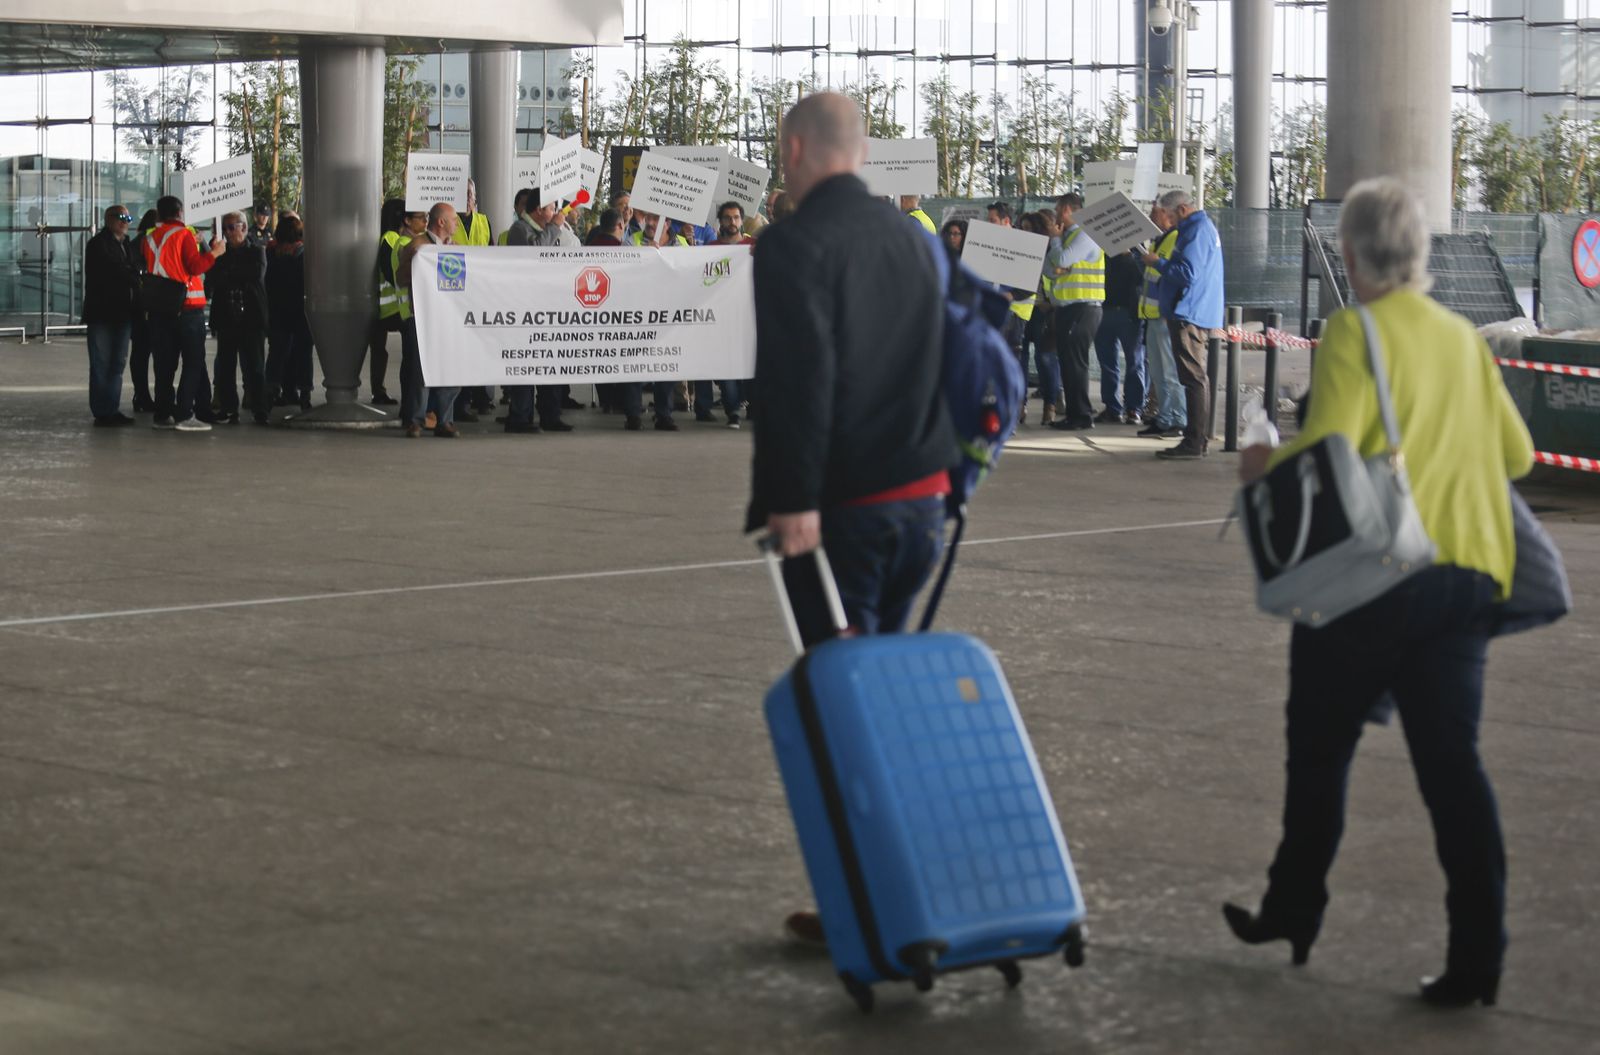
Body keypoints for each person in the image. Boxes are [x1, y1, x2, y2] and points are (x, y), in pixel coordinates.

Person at [1230, 177, 1535, 1010]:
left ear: (1353, 256)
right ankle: (1479, 958)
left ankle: (1294, 908)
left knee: (1319, 747)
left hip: (1379, 580)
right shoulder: (1464, 338)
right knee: (1453, 769)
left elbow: (1331, 446)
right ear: (1423, 255)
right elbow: (1516, 457)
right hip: (1468, 577)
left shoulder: (1353, 331)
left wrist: (1262, 466)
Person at [751, 92, 955, 947]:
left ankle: (869, 906)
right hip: (923, 503)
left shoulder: (794, 242)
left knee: (839, 706)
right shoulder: (910, 236)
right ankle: (908, 882)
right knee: (885, 695)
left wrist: (791, 501)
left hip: (844, 516)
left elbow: (800, 378)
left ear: (795, 148)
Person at [1144, 188, 1223, 459]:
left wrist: (1159, 263)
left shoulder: (1197, 230)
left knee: (1193, 378)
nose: (1166, 220)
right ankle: (1195, 439)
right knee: (1192, 377)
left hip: (1189, 312)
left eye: (1167, 214)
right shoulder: (1196, 229)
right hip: (1188, 310)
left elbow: (1188, 272)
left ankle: (1194, 441)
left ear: (1182, 209)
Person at [143, 195, 224, 431]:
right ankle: (185, 412)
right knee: (193, 361)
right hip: (187, 307)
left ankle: (163, 413)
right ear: (180, 213)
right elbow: (195, 267)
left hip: (160, 308)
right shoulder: (183, 234)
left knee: (164, 363)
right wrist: (215, 252)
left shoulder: (149, 237)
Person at [500, 188, 573, 434]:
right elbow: (535, 254)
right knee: (526, 366)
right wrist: (554, 228)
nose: (555, 213)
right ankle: (519, 417)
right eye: (552, 207)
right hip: (525, 308)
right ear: (540, 209)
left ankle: (550, 415)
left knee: (549, 366)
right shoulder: (520, 229)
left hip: (547, 307)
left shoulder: (542, 230)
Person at [395, 203, 464, 438]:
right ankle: (416, 420)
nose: (457, 223)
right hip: (422, 317)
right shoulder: (418, 245)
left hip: (449, 318)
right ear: (441, 222)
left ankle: (445, 420)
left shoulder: (456, 248)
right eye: (454, 219)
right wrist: (416, 261)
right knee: (420, 371)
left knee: (450, 369)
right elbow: (401, 278)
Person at [1045, 192, 1105, 431]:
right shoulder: (1068, 236)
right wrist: (1057, 258)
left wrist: (1055, 242)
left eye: (1059, 209)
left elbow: (1060, 260)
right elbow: (1050, 269)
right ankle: (1074, 413)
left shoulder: (1086, 234)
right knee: (1068, 363)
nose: (1057, 214)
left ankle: (1081, 415)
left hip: (1083, 309)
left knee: (1075, 364)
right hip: (1068, 309)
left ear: (1070, 210)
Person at [693, 201, 754, 429]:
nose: (732, 222)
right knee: (727, 365)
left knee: (748, 367)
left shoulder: (753, 246)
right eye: (727, 218)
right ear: (720, 221)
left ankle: (747, 405)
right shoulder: (711, 250)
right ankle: (733, 411)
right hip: (720, 319)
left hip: (748, 318)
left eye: (736, 217)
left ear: (742, 220)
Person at [207, 210, 270, 425]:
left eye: (231, 227)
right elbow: (214, 279)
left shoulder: (257, 251)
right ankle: (228, 408)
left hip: (251, 317)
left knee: (254, 366)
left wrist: (229, 273)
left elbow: (253, 275)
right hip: (226, 317)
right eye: (225, 228)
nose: (228, 232)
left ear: (243, 227)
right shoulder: (221, 253)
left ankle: (259, 408)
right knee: (225, 366)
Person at [81, 204, 140, 426]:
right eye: (121, 217)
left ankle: (112, 409)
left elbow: (133, 269)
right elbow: (116, 271)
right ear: (109, 219)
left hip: (123, 312)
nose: (125, 221)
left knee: (117, 363)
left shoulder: (127, 245)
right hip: (101, 313)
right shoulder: (98, 244)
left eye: (128, 217)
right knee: (100, 363)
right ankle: (101, 411)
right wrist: (133, 275)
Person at [1137, 203, 1187, 440]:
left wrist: (1154, 261)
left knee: (1170, 372)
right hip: (1152, 314)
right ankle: (1164, 418)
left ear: (1167, 214)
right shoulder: (1159, 239)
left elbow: (1170, 273)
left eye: (1155, 211)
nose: (1150, 216)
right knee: (1158, 372)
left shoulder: (1176, 238)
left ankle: (1179, 419)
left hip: (1165, 315)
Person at [264, 215, 315, 411]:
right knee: (303, 353)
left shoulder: (271, 256)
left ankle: (271, 391)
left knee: (277, 353)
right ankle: (304, 393)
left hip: (277, 312)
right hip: (302, 312)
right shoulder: (306, 257)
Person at [1093, 247, 1148, 425]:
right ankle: (1112, 408)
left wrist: (1130, 257)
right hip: (1104, 310)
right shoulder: (1101, 249)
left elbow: (1143, 276)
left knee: (1134, 362)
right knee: (1107, 363)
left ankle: (1134, 409)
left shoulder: (1137, 250)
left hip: (1129, 313)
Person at [1018, 210, 1061, 425]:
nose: (1026, 232)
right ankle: (1020, 405)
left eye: (1030, 228)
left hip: (1043, 310)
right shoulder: (1016, 250)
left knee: (1045, 358)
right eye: (1022, 228)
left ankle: (1050, 404)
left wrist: (1050, 301)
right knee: (1020, 359)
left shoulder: (1051, 251)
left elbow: (1056, 276)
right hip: (1021, 310)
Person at [365, 198, 407, 405]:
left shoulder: (380, 236)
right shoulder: (391, 238)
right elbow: (391, 271)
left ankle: (378, 391)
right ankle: (389, 393)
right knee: (408, 350)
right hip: (393, 307)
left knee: (379, 350)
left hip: (378, 305)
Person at [128, 209, 160, 412]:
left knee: (141, 353)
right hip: (147, 306)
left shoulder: (137, 242)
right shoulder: (146, 243)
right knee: (146, 353)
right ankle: (143, 396)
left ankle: (142, 395)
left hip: (142, 306)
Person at [457, 179, 493, 246]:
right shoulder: (447, 222)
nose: (466, 198)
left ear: (475, 197)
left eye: (469, 194)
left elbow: (491, 252)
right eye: (461, 193)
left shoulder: (484, 221)